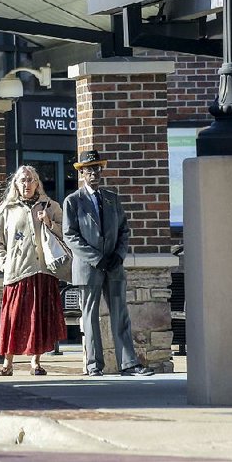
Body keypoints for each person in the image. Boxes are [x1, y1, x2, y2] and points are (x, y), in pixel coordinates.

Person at [62, 150, 154, 376]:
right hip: (88, 268)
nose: (94, 173)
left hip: (113, 266)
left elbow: (124, 229)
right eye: (89, 169)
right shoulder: (73, 201)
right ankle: (94, 365)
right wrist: (97, 258)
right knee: (90, 316)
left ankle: (129, 364)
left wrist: (119, 255)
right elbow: (70, 235)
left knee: (120, 313)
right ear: (81, 173)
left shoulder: (112, 198)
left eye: (97, 168)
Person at [0, 165, 67, 376]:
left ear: (37, 183)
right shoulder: (7, 209)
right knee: (13, 318)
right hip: (17, 272)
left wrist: (49, 222)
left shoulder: (50, 206)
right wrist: (4, 263)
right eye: (22, 180)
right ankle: (8, 363)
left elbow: (65, 234)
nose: (26, 184)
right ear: (15, 184)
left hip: (43, 271)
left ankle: (36, 362)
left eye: (30, 180)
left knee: (39, 318)